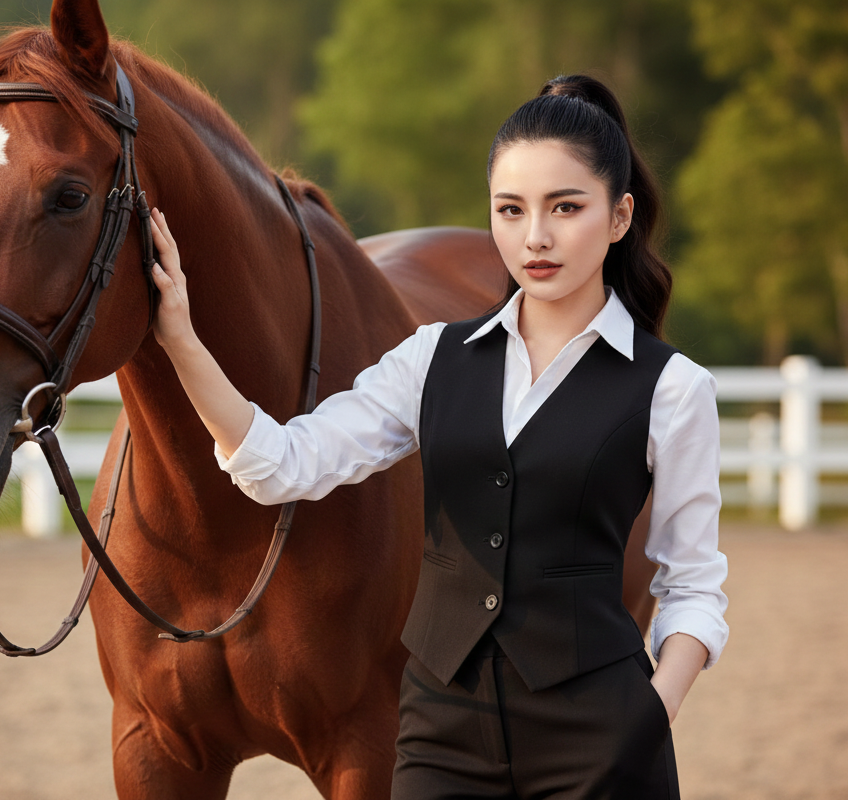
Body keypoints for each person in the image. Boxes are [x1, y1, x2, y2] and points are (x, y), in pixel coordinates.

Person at [144, 74, 728, 800]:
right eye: (511, 210)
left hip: (601, 739)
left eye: (566, 207)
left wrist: (650, 715)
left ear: (619, 217)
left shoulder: (673, 388)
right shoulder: (430, 359)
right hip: (440, 740)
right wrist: (182, 340)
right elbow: (281, 465)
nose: (535, 237)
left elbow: (693, 585)